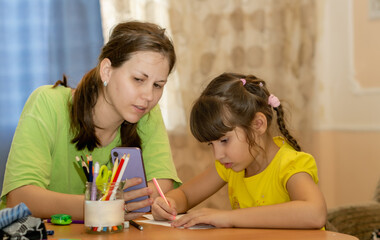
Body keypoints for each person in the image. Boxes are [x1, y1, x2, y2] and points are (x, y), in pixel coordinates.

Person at [0, 20, 181, 221]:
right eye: (138, 79)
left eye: (158, 85)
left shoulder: (146, 114)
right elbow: (20, 199)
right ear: (106, 71)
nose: (149, 96)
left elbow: (160, 188)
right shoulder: (47, 103)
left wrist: (127, 204)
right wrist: (101, 206)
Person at [152, 72, 327, 229]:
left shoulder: (291, 164)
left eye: (224, 140)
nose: (218, 155)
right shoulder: (231, 165)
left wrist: (227, 217)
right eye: (211, 145)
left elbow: (315, 213)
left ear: (258, 124)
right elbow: (186, 195)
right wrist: (169, 203)